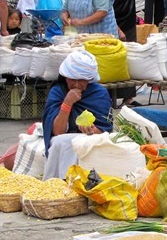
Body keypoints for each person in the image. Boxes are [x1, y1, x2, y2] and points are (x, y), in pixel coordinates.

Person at [42, 50, 113, 180]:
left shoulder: (99, 94)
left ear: (89, 80)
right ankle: (58, 181)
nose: (76, 84)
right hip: (63, 138)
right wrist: (67, 103)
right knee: (60, 142)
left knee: (81, 143)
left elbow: (105, 132)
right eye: (72, 79)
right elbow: (57, 131)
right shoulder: (58, 91)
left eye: (82, 81)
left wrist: (91, 130)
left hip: (91, 141)